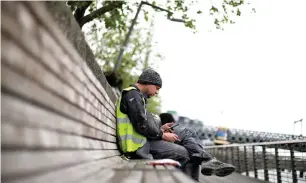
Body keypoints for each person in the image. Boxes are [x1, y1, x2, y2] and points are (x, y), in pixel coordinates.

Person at [115, 68, 233, 181]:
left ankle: (208, 161)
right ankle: (205, 162)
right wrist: (161, 134)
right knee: (187, 153)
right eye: (157, 88)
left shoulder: (137, 96)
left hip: (144, 142)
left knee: (187, 132)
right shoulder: (132, 95)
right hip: (138, 148)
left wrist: (160, 129)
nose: (157, 92)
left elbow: (139, 124)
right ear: (149, 82)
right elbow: (142, 125)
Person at [159, 113, 235, 177]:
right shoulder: (162, 134)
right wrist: (162, 133)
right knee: (188, 136)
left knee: (191, 150)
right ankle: (208, 160)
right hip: (162, 148)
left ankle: (207, 160)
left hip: (164, 147)